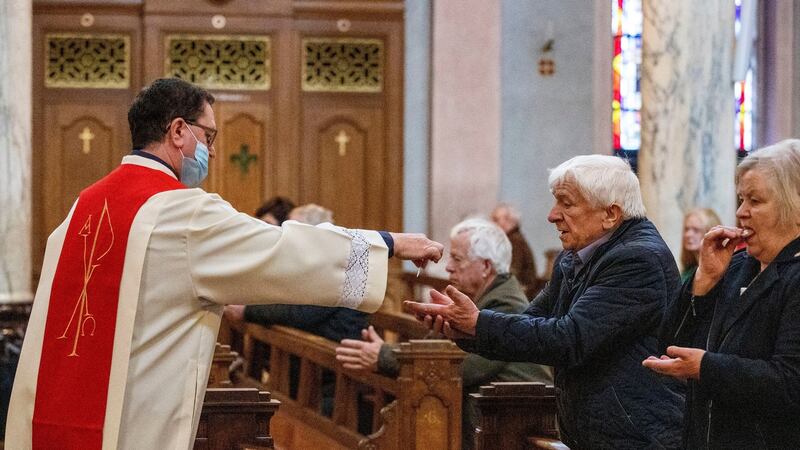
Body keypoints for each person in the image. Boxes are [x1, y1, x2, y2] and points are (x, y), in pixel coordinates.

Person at [6, 78, 443, 450]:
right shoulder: (180, 212)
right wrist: (389, 242)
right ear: (178, 131)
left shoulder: (83, 207)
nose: (212, 154)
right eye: (209, 137)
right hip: (129, 426)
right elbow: (283, 250)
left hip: (59, 413)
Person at [405, 155, 684, 449]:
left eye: (566, 203)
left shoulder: (637, 260)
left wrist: (479, 323)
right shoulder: (576, 255)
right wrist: (464, 330)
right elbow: (533, 321)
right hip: (600, 430)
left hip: (637, 435)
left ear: (610, 214)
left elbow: (570, 339)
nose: (552, 215)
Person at [336, 219, 552, 450]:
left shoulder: (506, 306)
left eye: (457, 259)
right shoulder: (483, 299)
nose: (448, 267)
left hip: (513, 429)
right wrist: (387, 352)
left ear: (486, 267)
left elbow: (461, 369)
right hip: (493, 422)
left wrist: (384, 356)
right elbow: (438, 348)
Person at [645, 139, 800, 449]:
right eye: (741, 199)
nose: (741, 213)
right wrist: (704, 280)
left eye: (755, 201)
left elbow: (790, 382)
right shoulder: (737, 265)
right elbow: (669, 347)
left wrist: (706, 367)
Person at [491, 203, 539, 297]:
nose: (492, 224)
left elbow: (511, 272)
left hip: (519, 294)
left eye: (496, 220)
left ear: (509, 221)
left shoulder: (514, 242)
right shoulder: (514, 239)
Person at [679, 208, 721, 283]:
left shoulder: (719, 270)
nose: (688, 235)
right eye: (686, 229)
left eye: (696, 230)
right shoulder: (688, 270)